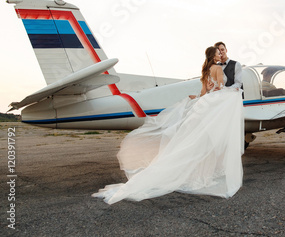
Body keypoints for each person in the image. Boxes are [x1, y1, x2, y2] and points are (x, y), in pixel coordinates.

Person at [92, 47, 244, 204]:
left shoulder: (206, 72)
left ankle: (199, 175)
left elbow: (204, 93)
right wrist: (234, 91)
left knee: (200, 142)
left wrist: (199, 97)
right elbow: (220, 88)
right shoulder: (218, 68)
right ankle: (204, 176)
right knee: (209, 142)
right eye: (218, 53)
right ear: (213, 56)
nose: (221, 55)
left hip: (203, 104)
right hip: (213, 106)